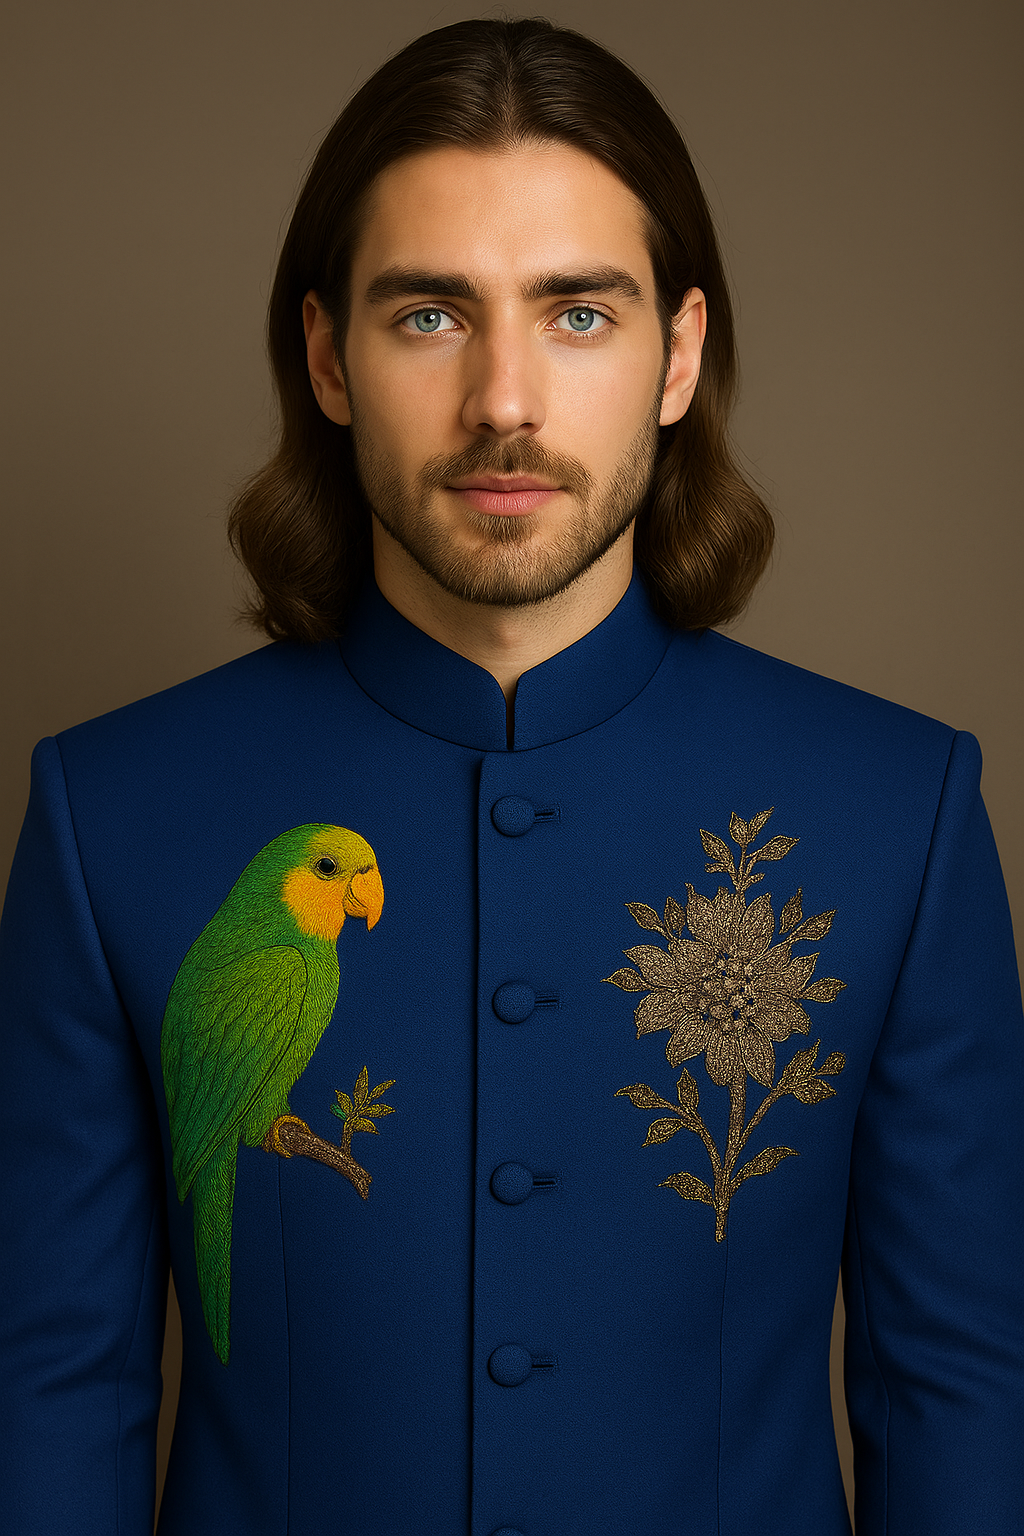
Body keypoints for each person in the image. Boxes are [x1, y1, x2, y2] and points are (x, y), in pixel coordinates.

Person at [1, 16, 1021, 1536]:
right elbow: (56, 1393)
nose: (503, 402)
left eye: (577, 315)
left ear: (678, 355)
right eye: (429, 316)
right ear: (327, 357)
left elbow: (959, 1393)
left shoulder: (903, 812)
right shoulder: (111, 818)